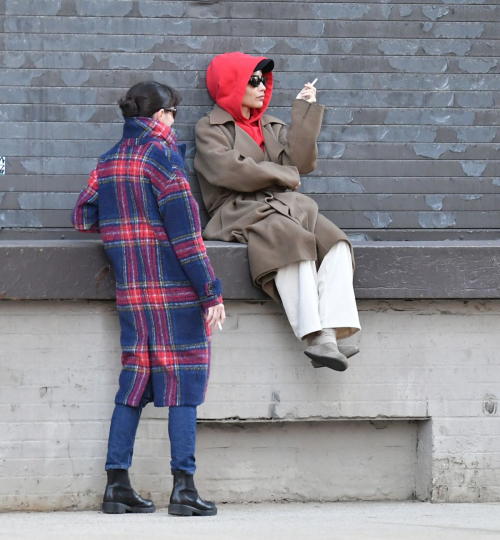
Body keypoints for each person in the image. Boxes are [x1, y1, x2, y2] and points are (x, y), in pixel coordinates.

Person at [72, 81, 225, 517]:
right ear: (160, 117)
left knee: (134, 384)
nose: (176, 123)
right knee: (182, 387)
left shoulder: (107, 163)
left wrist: (126, 225)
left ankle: (116, 486)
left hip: (134, 295)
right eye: (174, 114)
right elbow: (188, 239)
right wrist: (211, 292)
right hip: (175, 293)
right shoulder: (163, 159)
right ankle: (184, 489)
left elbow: (83, 216)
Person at [194, 52, 360, 372]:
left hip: (284, 207)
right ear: (232, 85)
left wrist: (304, 113)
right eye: (253, 80)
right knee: (293, 239)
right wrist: (282, 175)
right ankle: (314, 336)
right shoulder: (211, 128)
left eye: (263, 80)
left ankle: (330, 332)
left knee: (336, 242)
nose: (261, 87)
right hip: (239, 210)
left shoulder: (272, 125)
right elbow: (231, 171)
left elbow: (301, 164)